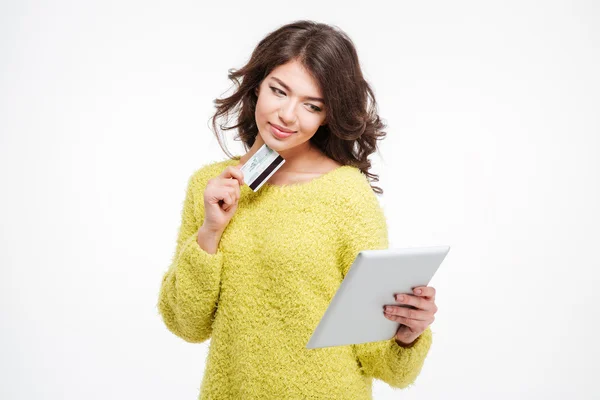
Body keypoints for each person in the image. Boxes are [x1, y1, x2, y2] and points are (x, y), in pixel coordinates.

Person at [157, 20, 438, 400]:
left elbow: (381, 360)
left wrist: (407, 335)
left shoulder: (346, 195)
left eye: (312, 105)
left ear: (327, 115)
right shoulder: (210, 188)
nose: (288, 115)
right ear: (258, 86)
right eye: (279, 91)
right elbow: (186, 324)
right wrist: (210, 231)